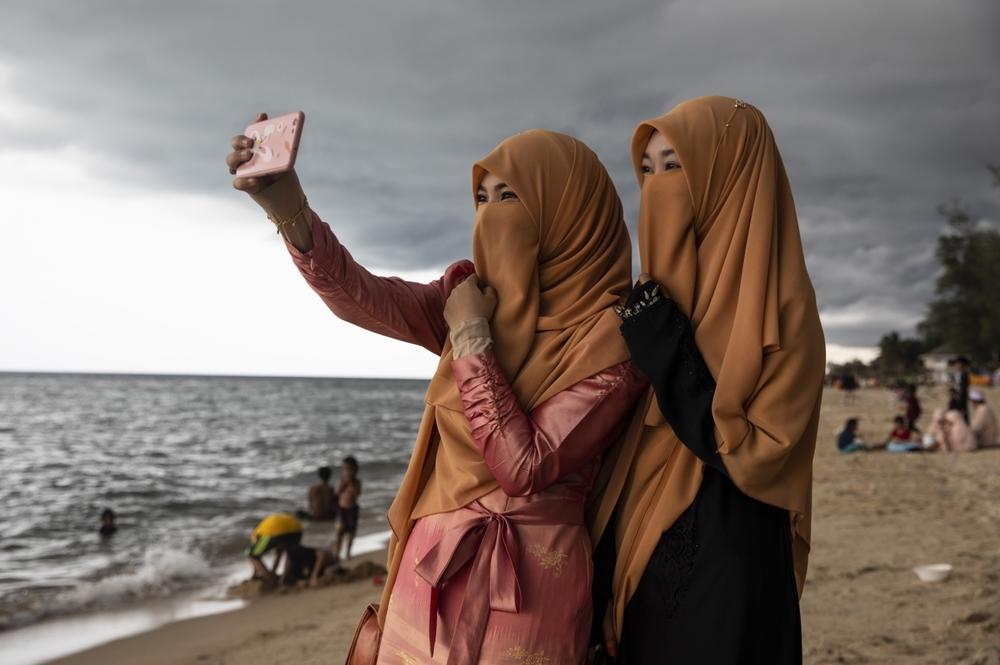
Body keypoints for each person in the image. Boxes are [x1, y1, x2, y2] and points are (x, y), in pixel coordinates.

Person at [228, 123, 646, 663]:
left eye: (509, 196)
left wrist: (472, 338)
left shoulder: (615, 340)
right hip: (427, 571)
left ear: (568, 210)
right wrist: (286, 207)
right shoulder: (468, 296)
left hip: (533, 588)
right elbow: (360, 295)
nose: (492, 215)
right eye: (481, 198)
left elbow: (523, 467)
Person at [590, 97, 825, 664]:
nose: (658, 185)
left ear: (731, 177)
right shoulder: (643, 301)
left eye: (676, 165)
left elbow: (757, 453)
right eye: (647, 169)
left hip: (727, 561)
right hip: (634, 544)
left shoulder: (783, 312)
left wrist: (664, 347)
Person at [246, 513, 334, 587]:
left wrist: (255, 574)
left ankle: (271, 582)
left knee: (252, 555)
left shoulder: (257, 533)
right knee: (289, 551)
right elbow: (279, 553)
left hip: (276, 529)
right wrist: (273, 571)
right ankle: (284, 579)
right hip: (297, 528)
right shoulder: (265, 526)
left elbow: (255, 554)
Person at [335, 456, 362, 561]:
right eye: (345, 469)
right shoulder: (340, 481)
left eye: (350, 469)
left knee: (351, 532)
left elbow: (357, 494)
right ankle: (337, 553)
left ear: (355, 470)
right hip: (341, 509)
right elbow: (337, 493)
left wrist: (351, 484)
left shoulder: (357, 482)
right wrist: (344, 484)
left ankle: (348, 552)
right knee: (339, 533)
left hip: (353, 509)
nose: (348, 472)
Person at [949, 356, 971, 421]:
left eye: (959, 364)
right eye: (957, 364)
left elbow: (964, 387)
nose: (957, 366)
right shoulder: (954, 374)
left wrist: (958, 395)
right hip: (953, 397)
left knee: (962, 415)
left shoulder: (965, 375)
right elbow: (951, 385)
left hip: (961, 398)